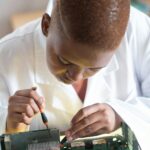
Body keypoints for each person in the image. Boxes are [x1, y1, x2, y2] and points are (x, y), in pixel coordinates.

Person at [0, 0, 150, 149]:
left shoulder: (138, 31)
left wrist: (119, 115)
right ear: (46, 26)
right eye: (65, 61)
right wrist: (12, 129)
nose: (76, 77)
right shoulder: (5, 57)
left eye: (93, 68)